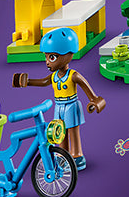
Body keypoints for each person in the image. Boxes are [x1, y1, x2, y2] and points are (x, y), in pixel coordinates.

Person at [12, 27, 105, 170]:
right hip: (59, 106)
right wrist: (27, 82)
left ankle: (77, 155)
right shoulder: (54, 76)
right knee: (59, 131)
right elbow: (43, 82)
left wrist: (94, 101)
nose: (47, 62)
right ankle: (63, 155)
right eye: (46, 57)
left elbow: (88, 90)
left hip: (71, 105)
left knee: (73, 131)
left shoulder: (73, 75)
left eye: (52, 57)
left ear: (68, 55)